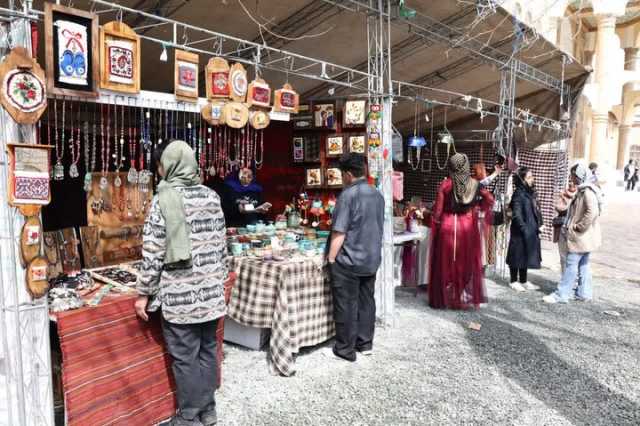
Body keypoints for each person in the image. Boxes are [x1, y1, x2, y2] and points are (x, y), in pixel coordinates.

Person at [135, 140, 227, 426]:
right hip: (211, 291)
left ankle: (188, 416)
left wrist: (143, 293)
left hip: (180, 295)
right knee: (208, 349)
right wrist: (218, 280)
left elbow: (153, 251)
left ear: (170, 165)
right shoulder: (212, 196)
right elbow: (222, 245)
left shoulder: (162, 199)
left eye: (160, 164)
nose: (159, 170)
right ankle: (208, 409)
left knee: (185, 356)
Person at [325, 153, 384, 362]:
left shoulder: (348, 196)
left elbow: (339, 232)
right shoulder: (377, 194)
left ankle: (345, 349)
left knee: (346, 304)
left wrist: (331, 259)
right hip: (371, 258)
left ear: (348, 175)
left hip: (349, 260)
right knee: (367, 301)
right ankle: (365, 344)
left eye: (342, 175)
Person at [428, 153, 494, 309]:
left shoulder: (445, 185)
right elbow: (490, 199)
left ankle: (443, 296)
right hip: (467, 228)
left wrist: (433, 221)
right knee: (465, 263)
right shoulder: (475, 184)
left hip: (447, 226)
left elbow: (437, 212)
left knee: (444, 262)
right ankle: (457, 296)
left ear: (451, 167)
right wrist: (476, 208)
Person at [543, 162, 602, 304]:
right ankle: (584, 293)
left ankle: (561, 294)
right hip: (585, 238)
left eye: (573, 175)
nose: (571, 178)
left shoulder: (587, 192)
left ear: (579, 176)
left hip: (580, 237)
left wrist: (578, 227)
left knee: (571, 265)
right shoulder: (584, 190)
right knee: (583, 265)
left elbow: (592, 212)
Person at [505, 167, 543, 292]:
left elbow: (536, 209)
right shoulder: (518, 193)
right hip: (520, 230)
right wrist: (524, 228)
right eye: (529, 177)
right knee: (516, 255)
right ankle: (513, 281)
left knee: (525, 255)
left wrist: (539, 224)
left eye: (532, 176)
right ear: (522, 179)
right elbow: (516, 213)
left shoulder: (530, 192)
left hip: (530, 228)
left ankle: (523, 280)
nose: (532, 179)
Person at [553, 181, 577, 273]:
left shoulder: (580, 195)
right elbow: (559, 207)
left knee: (573, 257)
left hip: (574, 230)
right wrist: (568, 202)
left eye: (574, 181)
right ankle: (564, 279)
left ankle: (573, 281)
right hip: (562, 228)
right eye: (570, 181)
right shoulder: (563, 194)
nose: (572, 184)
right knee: (563, 256)